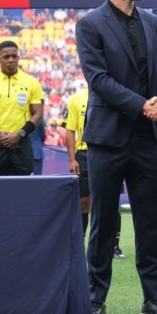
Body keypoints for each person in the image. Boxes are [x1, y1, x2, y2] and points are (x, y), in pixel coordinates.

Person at [75, 0, 157, 314]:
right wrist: (143, 105)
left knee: (149, 221)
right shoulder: (90, 24)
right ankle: (95, 299)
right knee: (103, 221)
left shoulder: (152, 22)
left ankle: (153, 299)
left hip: (147, 139)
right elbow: (99, 81)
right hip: (106, 139)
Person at [62, 86, 125, 258]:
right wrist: (72, 159)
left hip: (110, 152)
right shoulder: (76, 99)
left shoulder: (113, 95)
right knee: (83, 202)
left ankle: (114, 246)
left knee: (113, 202)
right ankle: (79, 244)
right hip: (84, 154)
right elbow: (70, 130)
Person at [0, 41, 43, 176]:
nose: (11, 60)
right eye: (6, 57)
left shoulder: (32, 83)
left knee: (26, 186)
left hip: (22, 143)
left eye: (14, 56)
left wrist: (19, 135)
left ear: (18, 58)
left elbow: (38, 114)